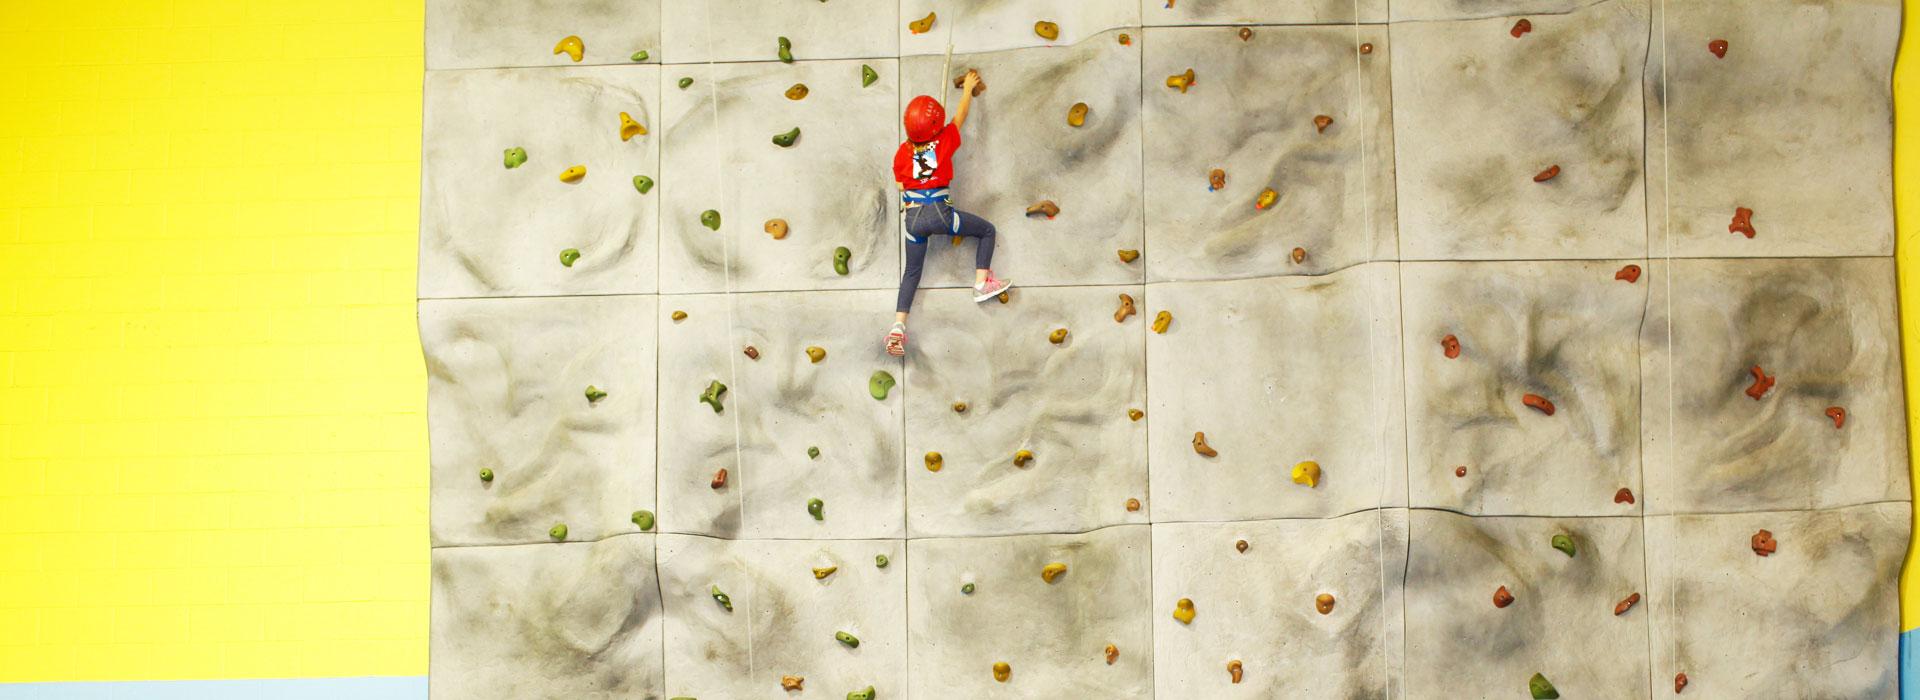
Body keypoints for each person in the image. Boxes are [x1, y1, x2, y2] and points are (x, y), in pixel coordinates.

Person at [886, 69, 1010, 357]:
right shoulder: (943, 142)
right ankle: (981, 283)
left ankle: (897, 328)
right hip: (940, 213)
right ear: (934, 127)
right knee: (987, 230)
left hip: (912, 218)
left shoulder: (901, 153)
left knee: (912, 272)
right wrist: (967, 89)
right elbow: (961, 116)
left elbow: (900, 184)